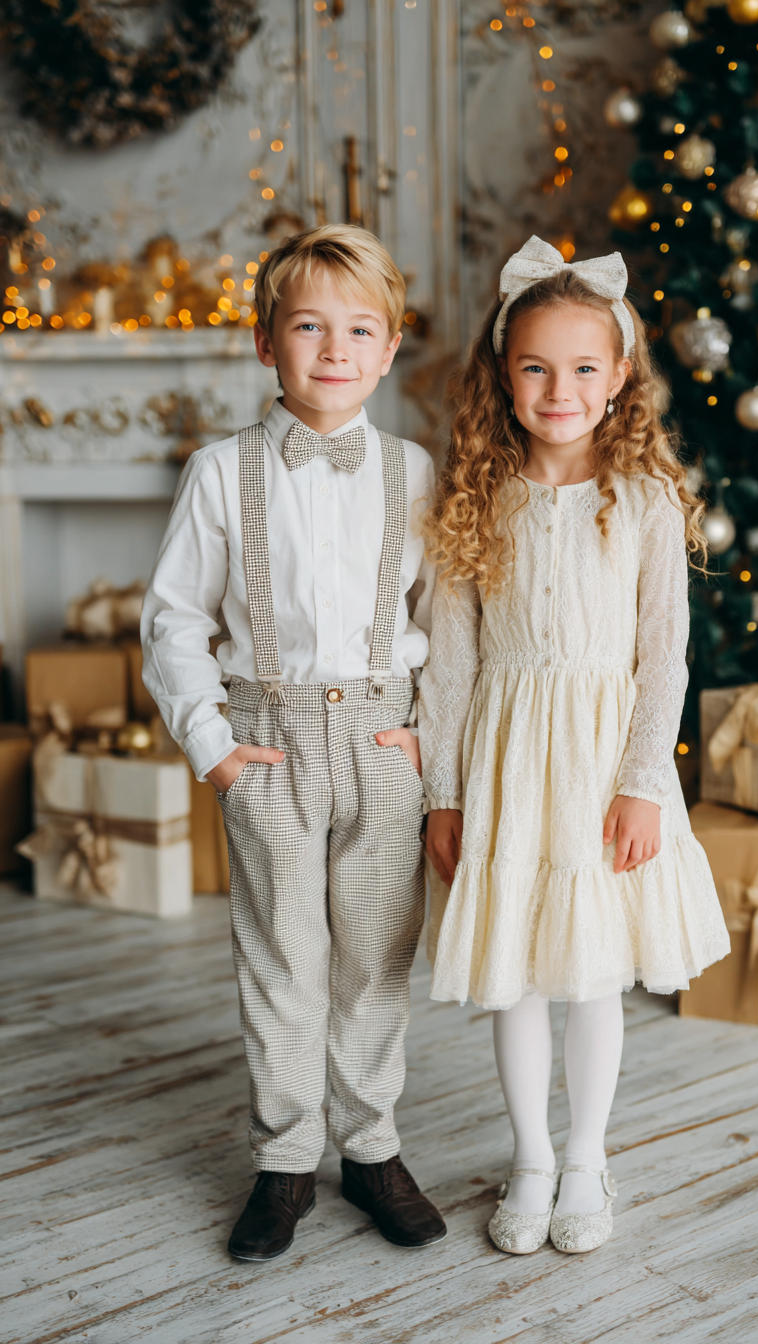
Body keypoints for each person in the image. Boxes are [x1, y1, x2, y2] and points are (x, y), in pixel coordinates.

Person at [419, 236, 729, 1257]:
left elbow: (663, 661)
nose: (558, 388)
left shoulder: (641, 503)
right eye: (535, 367)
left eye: (582, 367)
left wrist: (643, 784)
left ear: (618, 379)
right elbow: (451, 668)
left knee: (591, 973)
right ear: (502, 377)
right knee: (513, 973)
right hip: (505, 762)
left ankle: (586, 1158)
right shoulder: (474, 499)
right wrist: (444, 795)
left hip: (600, 764)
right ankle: (531, 1159)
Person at [141, 225, 447, 1261]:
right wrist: (213, 748)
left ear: (389, 346)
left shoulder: (414, 473)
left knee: (374, 952)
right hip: (264, 735)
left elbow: (444, 624)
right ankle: (284, 1160)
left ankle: (370, 1146)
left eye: (357, 329)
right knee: (282, 956)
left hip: (379, 734)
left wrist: (422, 740)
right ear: (265, 341)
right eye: (307, 325)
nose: (333, 348)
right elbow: (173, 618)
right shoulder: (220, 473)